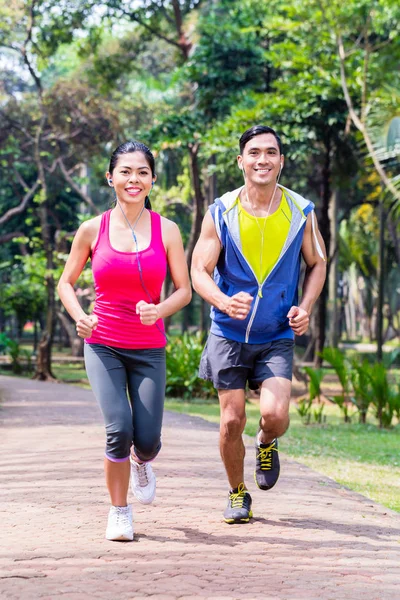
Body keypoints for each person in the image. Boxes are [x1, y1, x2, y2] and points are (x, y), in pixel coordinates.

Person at [191, 125, 326, 524]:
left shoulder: (301, 211)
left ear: (281, 161)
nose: (262, 159)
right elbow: (199, 269)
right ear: (241, 161)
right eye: (253, 152)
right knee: (231, 420)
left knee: (275, 415)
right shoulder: (221, 212)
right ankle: (237, 494)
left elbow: (318, 263)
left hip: (276, 334)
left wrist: (306, 307)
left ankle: (267, 442)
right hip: (228, 333)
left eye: (270, 152)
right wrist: (221, 300)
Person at [58, 141, 191, 541]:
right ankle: (119, 511)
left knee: (146, 439)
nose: (134, 179)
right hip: (103, 344)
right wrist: (81, 316)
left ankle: (142, 461)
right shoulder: (91, 229)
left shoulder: (167, 230)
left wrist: (159, 310)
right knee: (118, 428)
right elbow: (65, 283)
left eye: (142, 172)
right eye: (126, 172)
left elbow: (184, 290)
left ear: (152, 179)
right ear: (110, 177)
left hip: (149, 348)